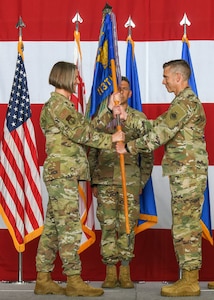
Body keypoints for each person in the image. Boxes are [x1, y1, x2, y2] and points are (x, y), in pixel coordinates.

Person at [115, 60, 208, 297]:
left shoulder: (185, 102)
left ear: (179, 77)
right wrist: (127, 117)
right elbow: (158, 125)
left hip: (188, 173)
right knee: (184, 224)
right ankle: (188, 277)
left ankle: (190, 280)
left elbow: (159, 133)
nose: (163, 80)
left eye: (166, 76)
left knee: (185, 226)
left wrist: (128, 147)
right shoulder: (182, 102)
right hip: (185, 173)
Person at [34, 61, 124, 297]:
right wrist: (112, 140)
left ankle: (43, 278)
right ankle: (73, 280)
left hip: (63, 173)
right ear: (64, 77)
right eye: (74, 77)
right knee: (69, 228)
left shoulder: (63, 106)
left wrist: (108, 108)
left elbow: (87, 126)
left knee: (54, 227)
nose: (77, 81)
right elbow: (82, 134)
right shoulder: (58, 106)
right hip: (62, 174)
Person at [88, 76, 153, 289]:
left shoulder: (138, 117)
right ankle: (109, 270)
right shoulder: (102, 116)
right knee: (107, 226)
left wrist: (142, 180)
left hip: (130, 179)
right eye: (118, 90)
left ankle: (124, 270)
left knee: (127, 225)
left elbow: (148, 149)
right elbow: (92, 147)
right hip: (105, 180)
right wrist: (93, 181)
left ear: (129, 93)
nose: (121, 93)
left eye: (124, 89)